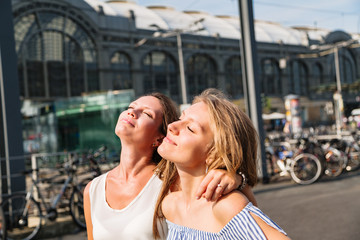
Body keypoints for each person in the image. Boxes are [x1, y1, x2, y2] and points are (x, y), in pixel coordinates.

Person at [83, 92, 257, 240]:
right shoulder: (93, 190)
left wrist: (237, 178)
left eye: (147, 114)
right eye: (130, 107)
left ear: (159, 138)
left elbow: (246, 222)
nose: (132, 113)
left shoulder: (171, 183)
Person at [155, 89, 289, 239]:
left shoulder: (225, 206)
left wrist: (239, 180)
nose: (173, 126)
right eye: (181, 118)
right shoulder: (171, 204)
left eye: (190, 128)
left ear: (214, 154)